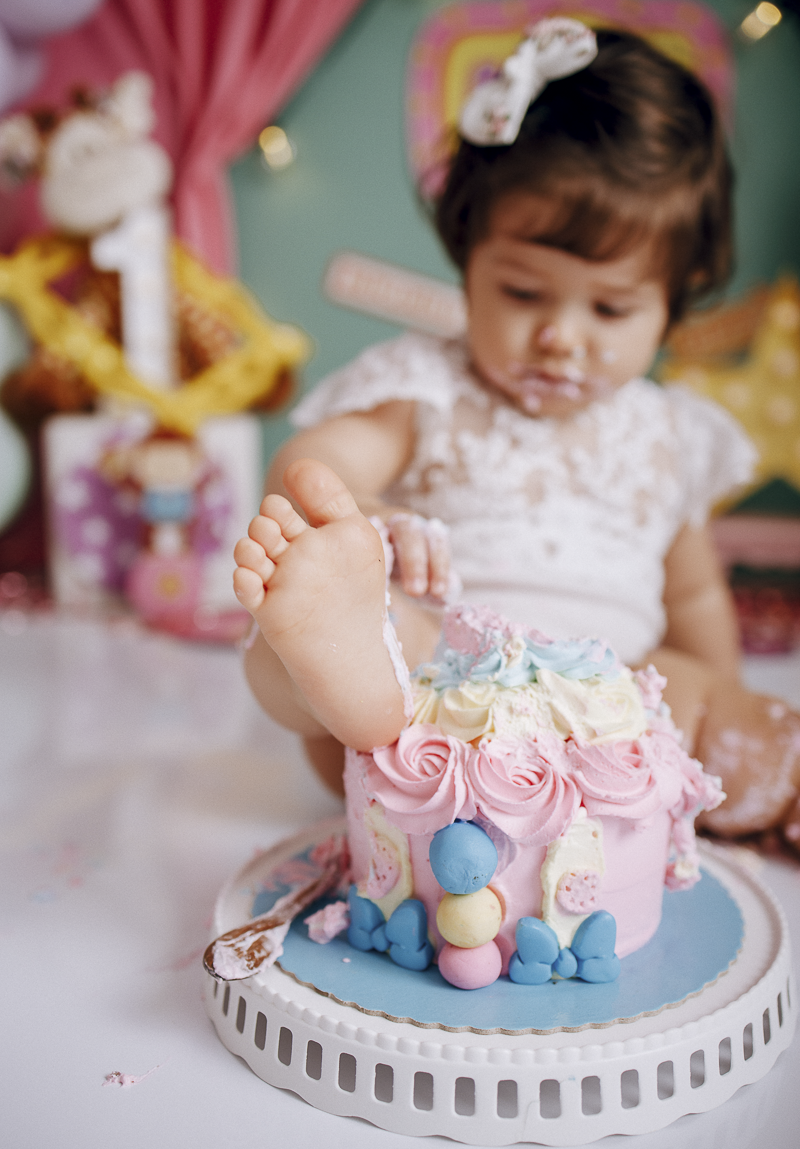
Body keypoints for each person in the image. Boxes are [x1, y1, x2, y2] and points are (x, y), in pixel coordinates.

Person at [232, 21, 800, 850]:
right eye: (525, 293)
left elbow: (694, 596)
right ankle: (327, 656)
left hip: (606, 723)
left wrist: (720, 698)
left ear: (674, 304)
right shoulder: (428, 389)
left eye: (610, 308)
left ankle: (772, 779)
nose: (563, 337)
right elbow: (315, 462)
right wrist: (363, 516)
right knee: (390, 634)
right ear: (470, 264)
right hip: (444, 696)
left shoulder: (667, 434)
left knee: (697, 699)